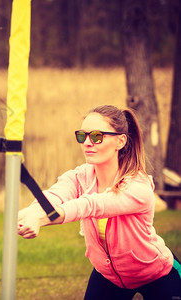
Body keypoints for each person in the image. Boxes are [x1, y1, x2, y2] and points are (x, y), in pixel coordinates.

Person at [17, 105, 181, 300]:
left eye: (96, 136)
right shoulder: (80, 176)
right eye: (82, 136)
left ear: (120, 141)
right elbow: (55, 195)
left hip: (157, 274)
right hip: (109, 275)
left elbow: (90, 205)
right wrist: (32, 213)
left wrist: (42, 220)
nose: (87, 142)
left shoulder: (138, 186)